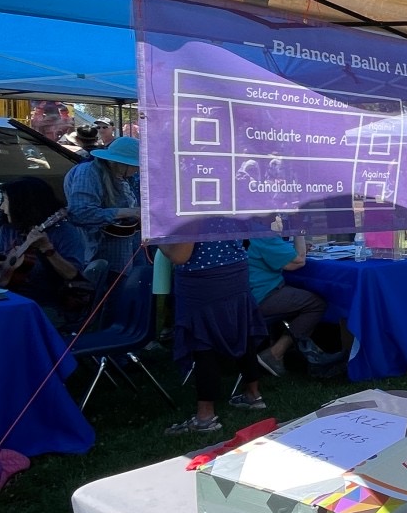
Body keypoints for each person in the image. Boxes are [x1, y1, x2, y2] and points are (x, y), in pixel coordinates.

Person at [157, 238, 268, 438]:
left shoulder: (190, 215)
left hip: (202, 277)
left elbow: (180, 256)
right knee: (242, 328)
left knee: (202, 341)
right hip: (236, 269)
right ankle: (253, 394)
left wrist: (157, 240)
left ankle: (205, 416)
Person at [0, 178, 96, 331]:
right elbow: (0, 262)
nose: (2, 207)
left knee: (5, 325)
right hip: (9, 298)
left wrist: (47, 249)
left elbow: (73, 275)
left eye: (5, 201)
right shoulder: (8, 229)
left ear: (23, 205)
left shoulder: (64, 232)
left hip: (47, 304)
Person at [246, 230, 340, 376]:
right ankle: (275, 353)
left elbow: (287, 256)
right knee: (315, 304)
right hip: (261, 295)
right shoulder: (263, 234)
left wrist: (297, 249)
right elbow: (298, 261)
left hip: (245, 296)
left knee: (299, 297)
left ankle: (307, 351)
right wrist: (299, 230)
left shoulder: (248, 231)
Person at [63, 134, 142, 274]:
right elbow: (80, 213)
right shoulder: (88, 172)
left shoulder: (124, 176)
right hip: (99, 252)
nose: (137, 170)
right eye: (135, 166)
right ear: (120, 163)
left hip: (128, 249)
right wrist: (128, 212)